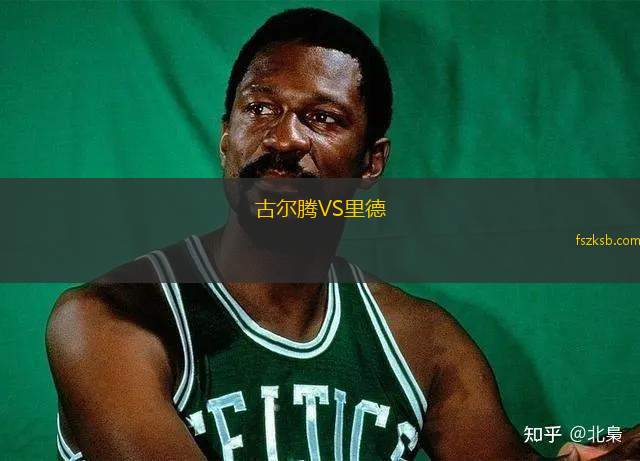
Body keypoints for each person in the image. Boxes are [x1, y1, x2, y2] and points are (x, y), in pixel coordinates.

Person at [46, 8, 639, 461]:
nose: (283, 139)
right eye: (260, 109)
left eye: (322, 118)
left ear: (370, 163)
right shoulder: (108, 321)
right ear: (226, 137)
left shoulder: (423, 344)